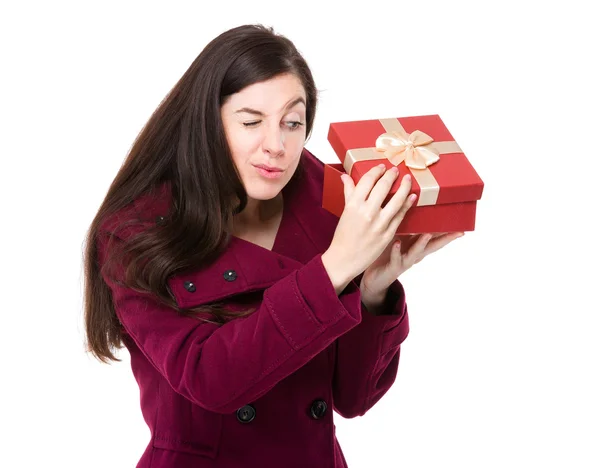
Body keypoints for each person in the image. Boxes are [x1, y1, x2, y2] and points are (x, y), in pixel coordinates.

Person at [83, 23, 463, 468]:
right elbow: (211, 381)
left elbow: (354, 399)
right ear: (206, 123)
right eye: (250, 122)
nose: (276, 146)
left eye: (292, 122)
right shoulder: (137, 232)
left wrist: (375, 290)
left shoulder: (331, 201)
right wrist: (335, 267)